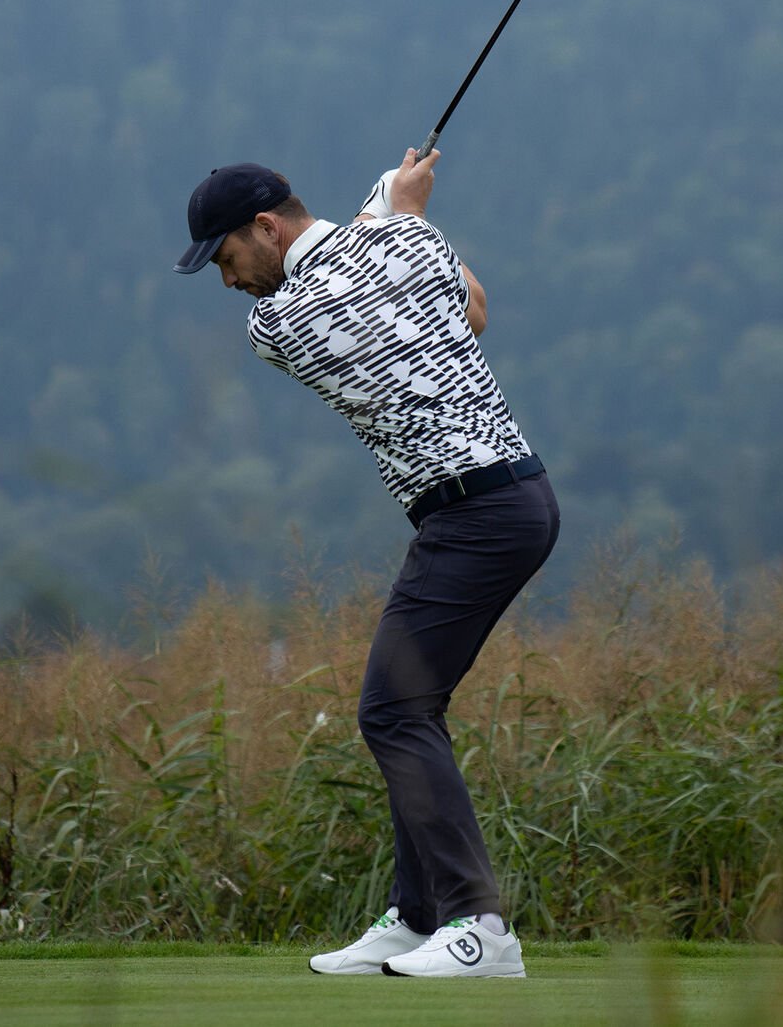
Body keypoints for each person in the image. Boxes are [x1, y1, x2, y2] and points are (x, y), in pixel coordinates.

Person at [174, 148, 560, 977]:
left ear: (266, 228)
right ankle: (418, 917)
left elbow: (371, 281)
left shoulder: (277, 324)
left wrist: (385, 207)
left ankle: (478, 926)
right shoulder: (405, 244)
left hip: (478, 514)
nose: (230, 282)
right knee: (406, 708)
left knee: (392, 714)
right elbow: (475, 309)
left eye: (228, 258)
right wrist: (396, 207)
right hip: (499, 504)